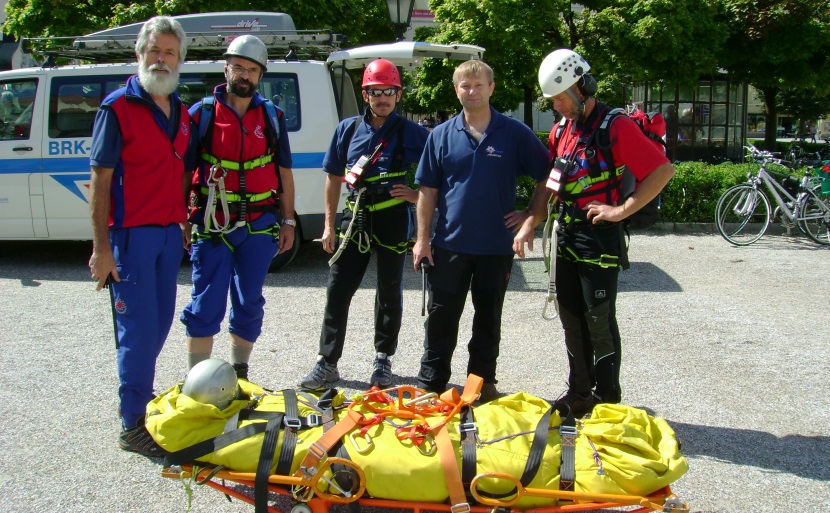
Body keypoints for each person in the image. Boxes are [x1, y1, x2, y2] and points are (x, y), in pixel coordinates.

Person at [516, 49, 675, 417]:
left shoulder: (615, 126)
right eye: (553, 100)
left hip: (599, 236)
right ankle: (579, 391)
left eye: (560, 98)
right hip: (567, 233)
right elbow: (550, 183)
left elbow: (662, 171)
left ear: (583, 87)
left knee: (598, 318)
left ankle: (607, 401)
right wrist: (530, 221)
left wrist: (620, 210)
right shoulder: (562, 130)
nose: (556, 107)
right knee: (571, 317)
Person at [88, 15, 196, 457]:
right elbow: (100, 178)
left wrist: (185, 223)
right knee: (137, 330)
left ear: (179, 60)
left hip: (169, 235)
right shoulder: (116, 108)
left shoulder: (182, 112)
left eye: (169, 52)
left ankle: (142, 403)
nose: (161, 59)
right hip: (130, 239)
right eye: (154, 51)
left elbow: (184, 170)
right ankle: (132, 424)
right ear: (139, 55)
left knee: (160, 325)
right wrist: (100, 248)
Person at [412, 60, 550, 402]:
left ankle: (482, 383)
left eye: (478, 85)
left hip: (495, 246)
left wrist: (531, 215)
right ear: (456, 90)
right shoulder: (441, 135)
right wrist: (422, 240)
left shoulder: (514, 133)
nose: (471, 91)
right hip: (449, 243)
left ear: (491, 88)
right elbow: (427, 192)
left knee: (488, 319)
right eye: (464, 86)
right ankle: (431, 381)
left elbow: (547, 175)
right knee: (441, 316)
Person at [299, 59, 428, 390]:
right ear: (365, 95)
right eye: (375, 92)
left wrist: (416, 196)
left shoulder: (413, 134)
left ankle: (383, 359)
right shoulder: (348, 129)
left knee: (389, 289)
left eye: (388, 92)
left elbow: (439, 176)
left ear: (398, 95)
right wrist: (328, 226)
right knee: (338, 290)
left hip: (393, 217)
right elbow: (331, 179)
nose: (382, 98)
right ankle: (327, 362)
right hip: (355, 216)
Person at [180, 35, 294, 381]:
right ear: (226, 68)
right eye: (239, 67)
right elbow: (184, 173)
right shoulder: (201, 115)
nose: (245, 75)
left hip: (259, 225)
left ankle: (239, 375)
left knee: (249, 302)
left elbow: (284, 173)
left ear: (261, 76)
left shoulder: (272, 117)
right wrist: (182, 220)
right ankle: (199, 382)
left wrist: (288, 221)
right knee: (206, 303)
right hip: (213, 224)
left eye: (252, 70)